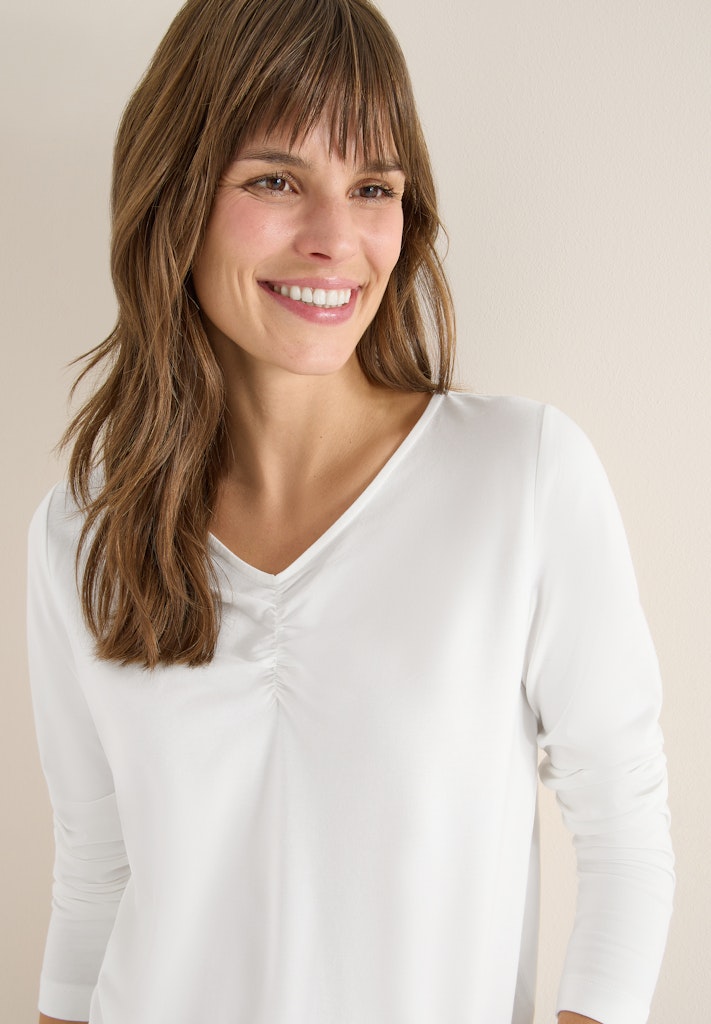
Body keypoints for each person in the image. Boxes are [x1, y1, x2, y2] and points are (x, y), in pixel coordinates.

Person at [27, 1, 674, 1022]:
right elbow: (94, 874)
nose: (334, 239)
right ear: (176, 193)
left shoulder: (522, 478)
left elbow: (624, 832)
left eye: (373, 187)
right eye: (276, 180)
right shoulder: (83, 531)